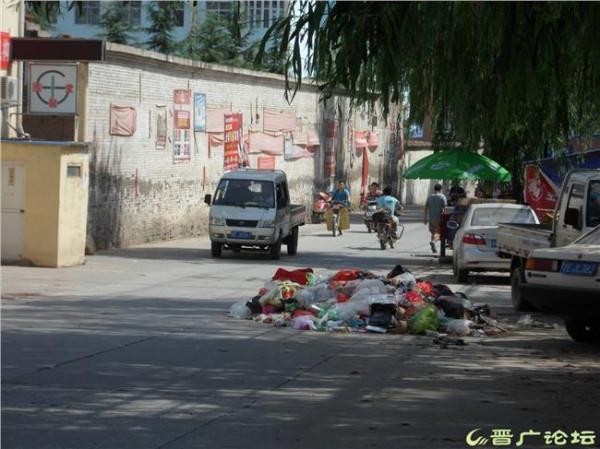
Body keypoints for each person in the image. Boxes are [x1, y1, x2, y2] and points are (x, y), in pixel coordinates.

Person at [424, 183, 447, 254]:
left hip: (431, 218)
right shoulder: (442, 197)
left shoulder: (430, 196)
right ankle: (433, 242)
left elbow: (426, 207)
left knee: (433, 233)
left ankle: (433, 249)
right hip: (439, 218)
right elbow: (445, 208)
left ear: (434, 189)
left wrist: (425, 218)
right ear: (440, 189)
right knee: (439, 233)